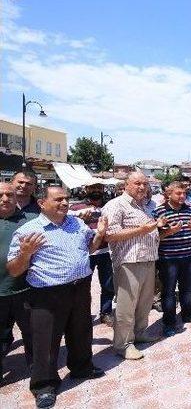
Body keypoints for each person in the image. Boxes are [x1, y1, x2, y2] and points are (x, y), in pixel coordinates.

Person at [7, 186, 106, 408]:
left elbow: (89, 249)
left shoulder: (77, 224)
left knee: (81, 331)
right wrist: (25, 253)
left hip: (80, 288)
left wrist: (98, 234)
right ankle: (44, 385)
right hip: (47, 294)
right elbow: (13, 270)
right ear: (42, 203)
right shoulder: (29, 230)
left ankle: (82, 367)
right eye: (58, 199)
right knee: (46, 341)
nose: (65, 203)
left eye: (66, 199)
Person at [102, 172, 163, 361]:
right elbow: (110, 235)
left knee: (144, 302)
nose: (142, 187)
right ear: (126, 185)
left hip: (148, 258)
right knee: (126, 306)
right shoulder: (115, 205)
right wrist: (142, 230)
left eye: (145, 184)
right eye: (137, 183)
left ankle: (140, 332)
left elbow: (149, 232)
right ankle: (124, 344)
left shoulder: (144, 206)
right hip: (128, 261)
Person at [152, 182, 191, 337]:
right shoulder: (159, 212)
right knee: (168, 292)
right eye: (178, 193)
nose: (182, 196)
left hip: (189, 256)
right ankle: (169, 323)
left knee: (187, 289)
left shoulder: (190, 210)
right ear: (168, 194)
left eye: (184, 193)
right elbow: (155, 237)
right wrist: (170, 231)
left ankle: (188, 314)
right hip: (168, 259)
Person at [0, 183, 35, 383]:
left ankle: (36, 366)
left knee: (31, 331)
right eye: (1, 195)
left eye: (9, 195)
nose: (5, 199)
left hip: (24, 289)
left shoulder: (29, 221)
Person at [70, 183, 115, 326]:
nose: (96, 191)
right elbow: (68, 228)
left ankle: (106, 313)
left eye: (99, 188)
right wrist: (81, 221)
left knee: (108, 284)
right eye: (92, 188)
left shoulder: (109, 206)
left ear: (103, 190)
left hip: (106, 252)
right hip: (85, 252)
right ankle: (83, 314)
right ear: (86, 190)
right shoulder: (76, 208)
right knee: (83, 286)